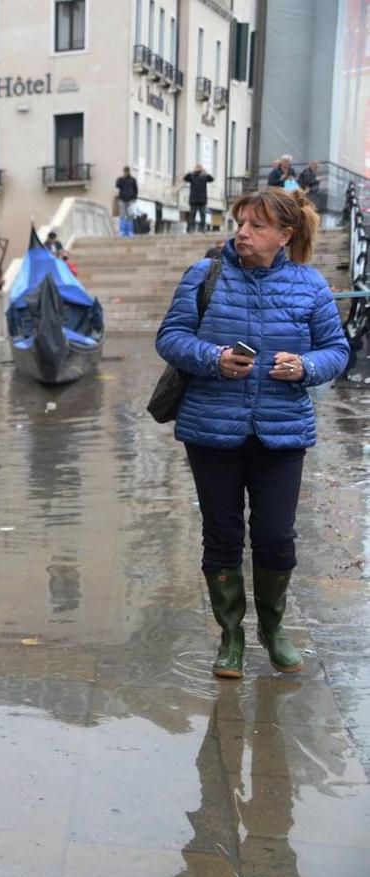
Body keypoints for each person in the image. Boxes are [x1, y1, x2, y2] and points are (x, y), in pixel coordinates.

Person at [155, 187, 350, 679]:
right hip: (211, 430)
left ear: (284, 235)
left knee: (276, 538)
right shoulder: (205, 275)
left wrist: (305, 366)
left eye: (256, 225)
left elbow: (337, 350)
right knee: (221, 535)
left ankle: (273, 628)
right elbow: (171, 338)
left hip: (281, 434)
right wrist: (213, 360)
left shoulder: (310, 285)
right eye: (241, 222)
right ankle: (232, 636)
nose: (242, 232)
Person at [182, 164, 214, 232]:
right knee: (192, 215)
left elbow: (211, 179)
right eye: (198, 169)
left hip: (202, 200)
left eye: (200, 169)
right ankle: (190, 228)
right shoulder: (191, 176)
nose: (198, 171)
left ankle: (202, 228)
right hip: (193, 199)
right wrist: (190, 172)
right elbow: (185, 178)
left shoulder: (204, 176)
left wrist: (206, 173)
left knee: (203, 215)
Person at [115, 165, 139, 236]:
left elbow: (135, 189)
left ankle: (130, 231)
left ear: (129, 171)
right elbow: (117, 185)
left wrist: (134, 197)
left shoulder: (133, 180)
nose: (126, 172)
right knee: (122, 215)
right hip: (122, 199)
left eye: (127, 171)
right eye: (125, 171)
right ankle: (122, 231)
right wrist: (122, 179)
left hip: (131, 199)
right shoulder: (120, 179)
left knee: (130, 215)